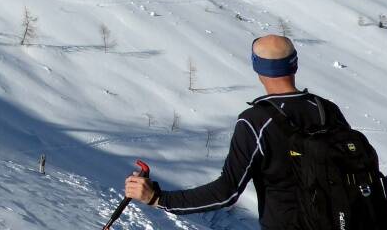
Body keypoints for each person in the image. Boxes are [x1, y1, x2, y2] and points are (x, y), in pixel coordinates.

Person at [124, 35, 349, 229]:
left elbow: (227, 192)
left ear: (257, 67)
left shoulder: (255, 121)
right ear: (295, 65)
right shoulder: (326, 110)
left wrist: (157, 198)